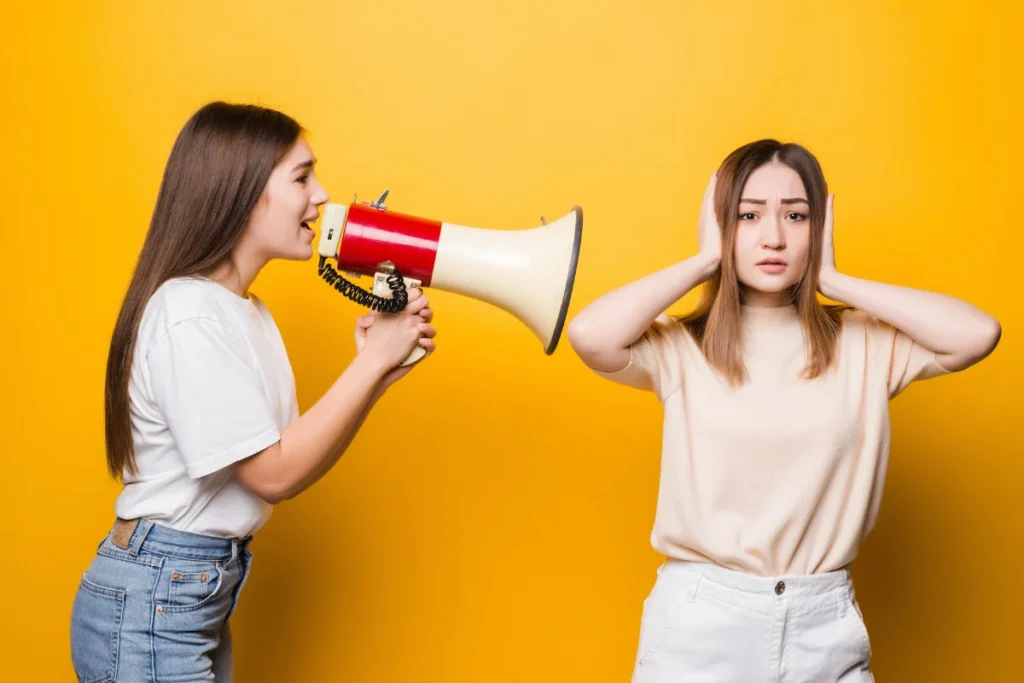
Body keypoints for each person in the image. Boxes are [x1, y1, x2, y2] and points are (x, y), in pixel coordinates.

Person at [567, 139, 1001, 682]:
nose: (773, 237)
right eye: (747, 216)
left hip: (824, 625)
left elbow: (978, 334)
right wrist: (705, 259)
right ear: (722, 226)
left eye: (796, 216)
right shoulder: (682, 346)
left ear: (818, 227)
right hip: (703, 626)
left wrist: (835, 281)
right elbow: (589, 335)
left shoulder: (863, 342)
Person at [69, 101, 437, 682]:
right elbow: (274, 475)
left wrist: (376, 370)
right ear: (239, 192)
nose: (322, 196)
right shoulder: (189, 312)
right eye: (301, 177)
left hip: (189, 590)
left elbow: (290, 457)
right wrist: (369, 369)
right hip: (156, 597)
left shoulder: (243, 312)